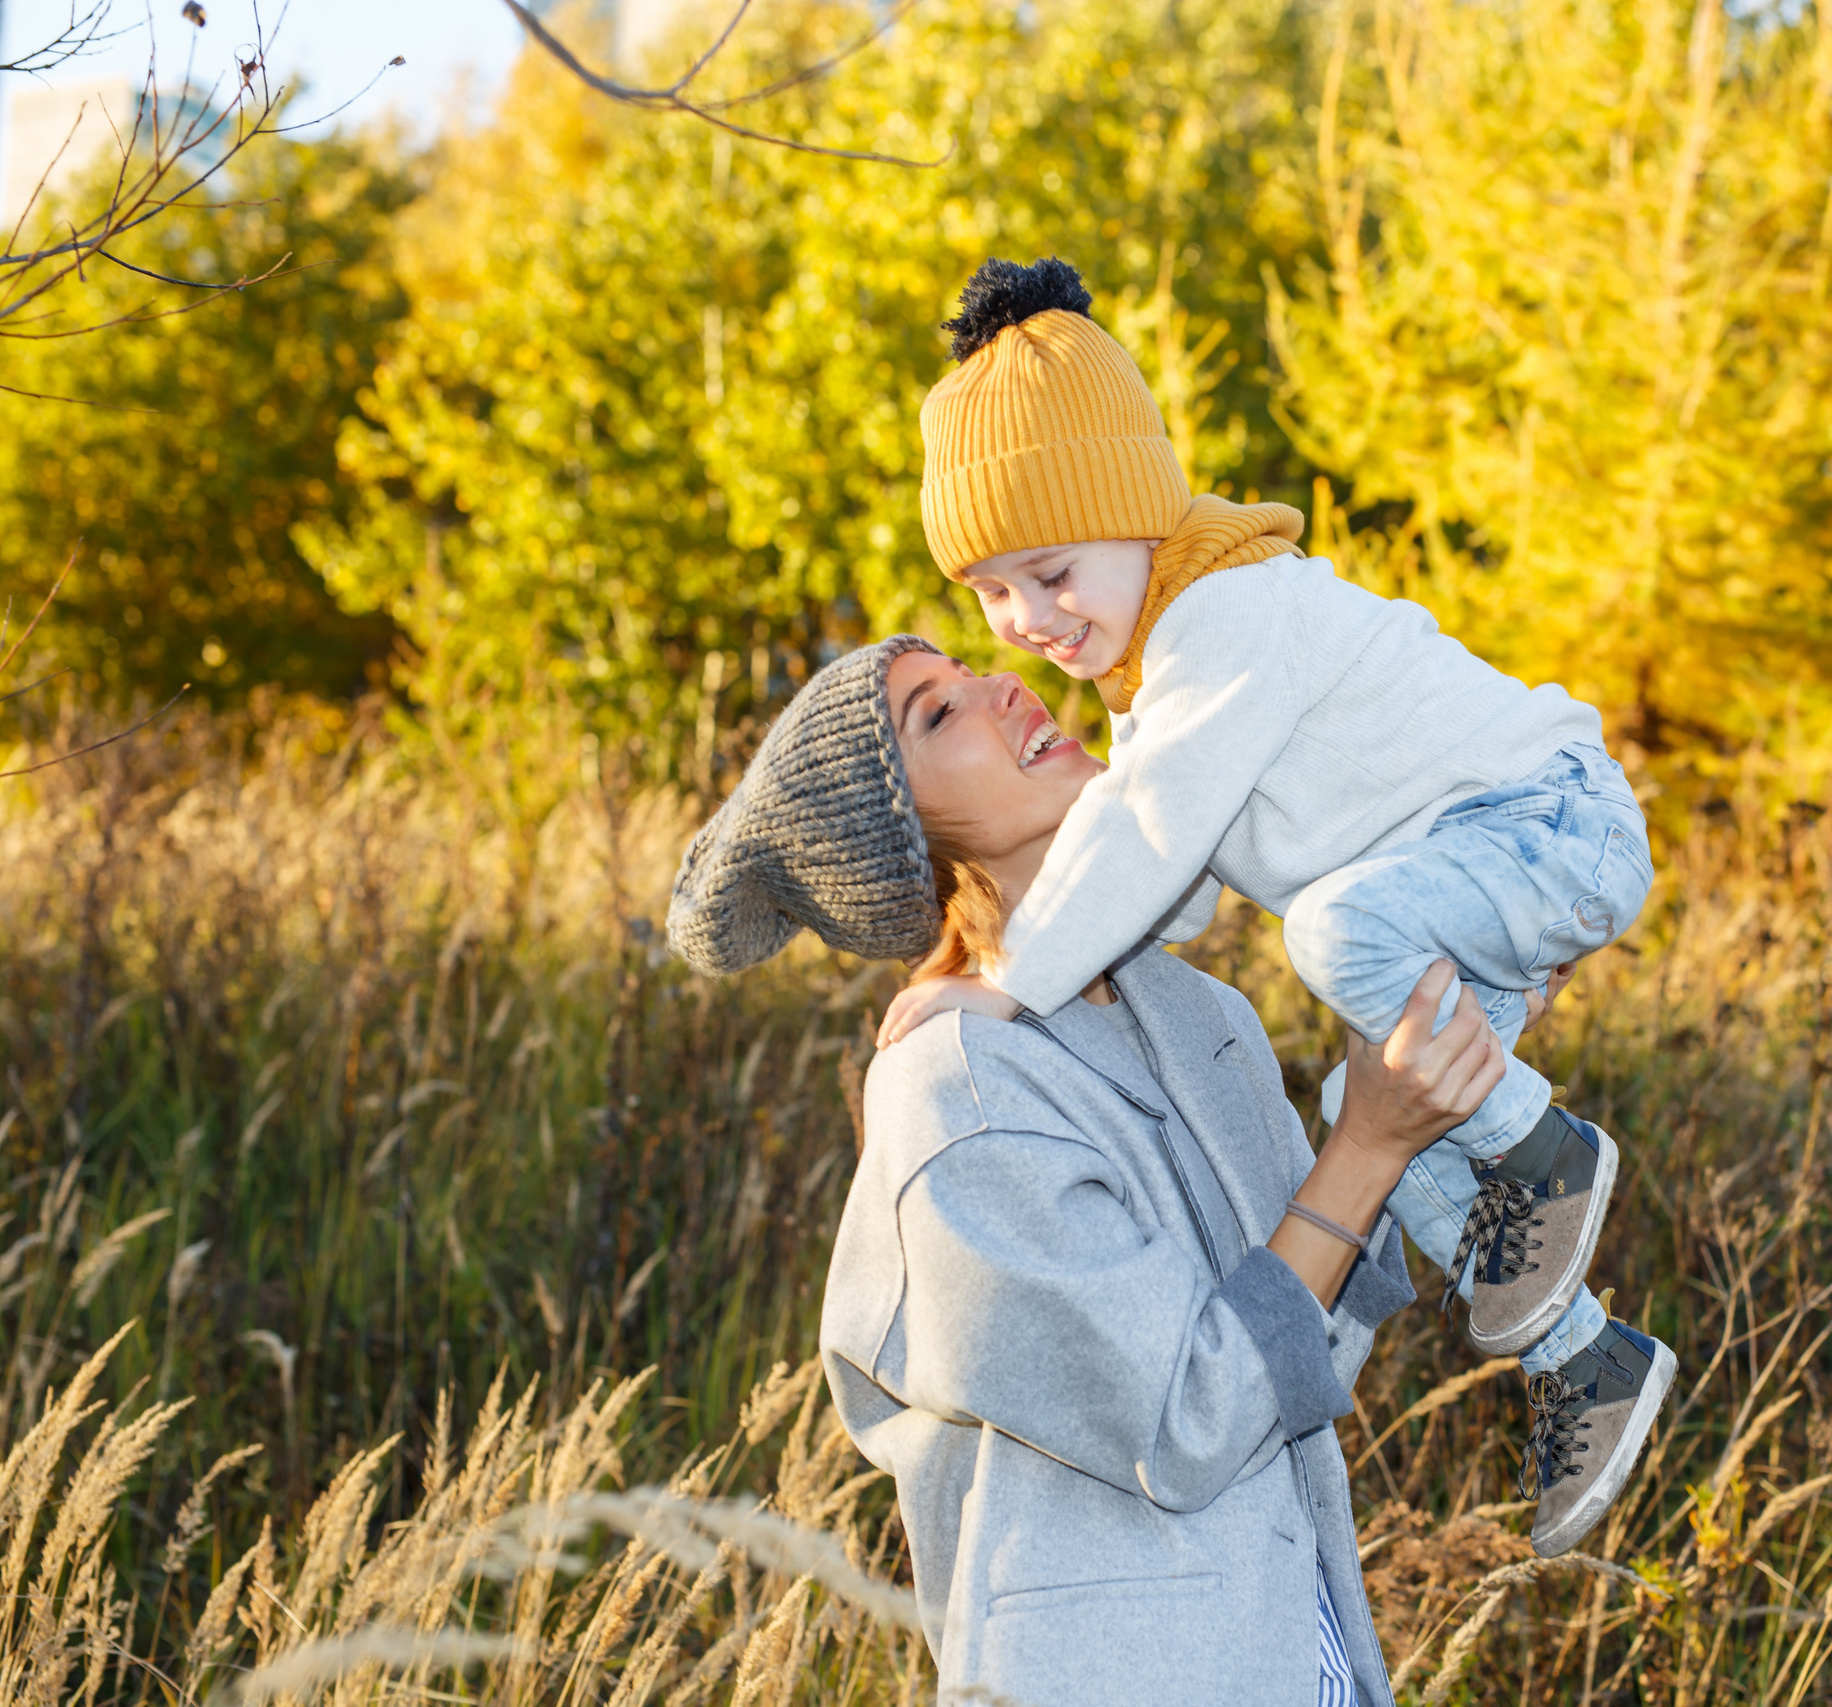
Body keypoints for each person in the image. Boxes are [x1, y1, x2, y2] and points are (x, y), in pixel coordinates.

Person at [871, 256, 1673, 1554]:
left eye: (1053, 570)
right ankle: (1584, 1359)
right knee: (1364, 1115)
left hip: (1542, 816)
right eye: (989, 592)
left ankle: (1543, 1144)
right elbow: (1172, 894)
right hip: (1452, 883)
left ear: (1139, 509)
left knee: (1327, 937)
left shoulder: (1229, 616)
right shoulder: (1157, 686)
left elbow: (1145, 834)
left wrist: (1003, 990)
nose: (1026, 619)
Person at [665, 635, 1526, 1703]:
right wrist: (1368, 1145)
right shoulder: (957, 1093)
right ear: (900, 845)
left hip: (1304, 1659)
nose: (1005, 688)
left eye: (971, 671)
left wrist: (1474, 1008)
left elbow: (1319, 1338)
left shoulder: (1199, 1015)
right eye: (937, 715)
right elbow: (1193, 1420)